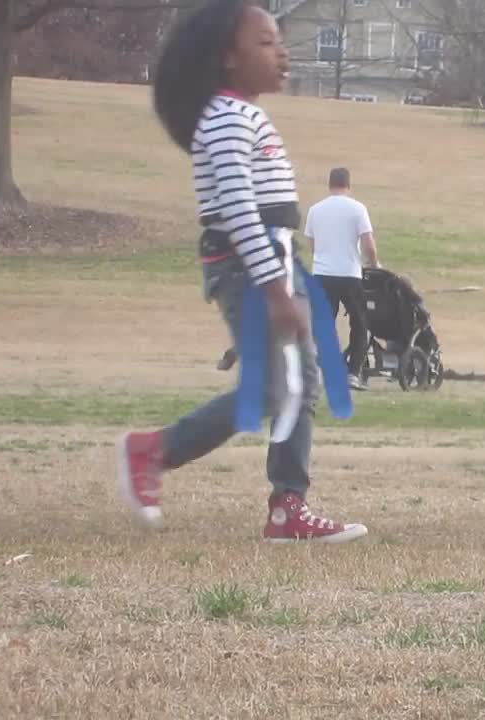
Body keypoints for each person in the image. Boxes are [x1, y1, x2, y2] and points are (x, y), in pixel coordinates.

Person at [117, 0, 367, 543]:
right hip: (252, 267)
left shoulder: (242, 113)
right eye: (266, 42)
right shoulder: (227, 119)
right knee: (274, 392)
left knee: (299, 386)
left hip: (272, 261)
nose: (282, 52)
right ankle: (155, 450)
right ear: (228, 58)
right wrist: (275, 289)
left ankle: (288, 507)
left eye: (279, 40)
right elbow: (238, 210)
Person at [305, 167, 380, 391]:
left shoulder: (315, 210)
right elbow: (368, 244)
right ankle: (353, 373)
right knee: (359, 322)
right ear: (348, 185)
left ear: (330, 184)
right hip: (349, 273)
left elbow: (311, 243)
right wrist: (374, 265)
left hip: (322, 274)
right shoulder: (357, 209)